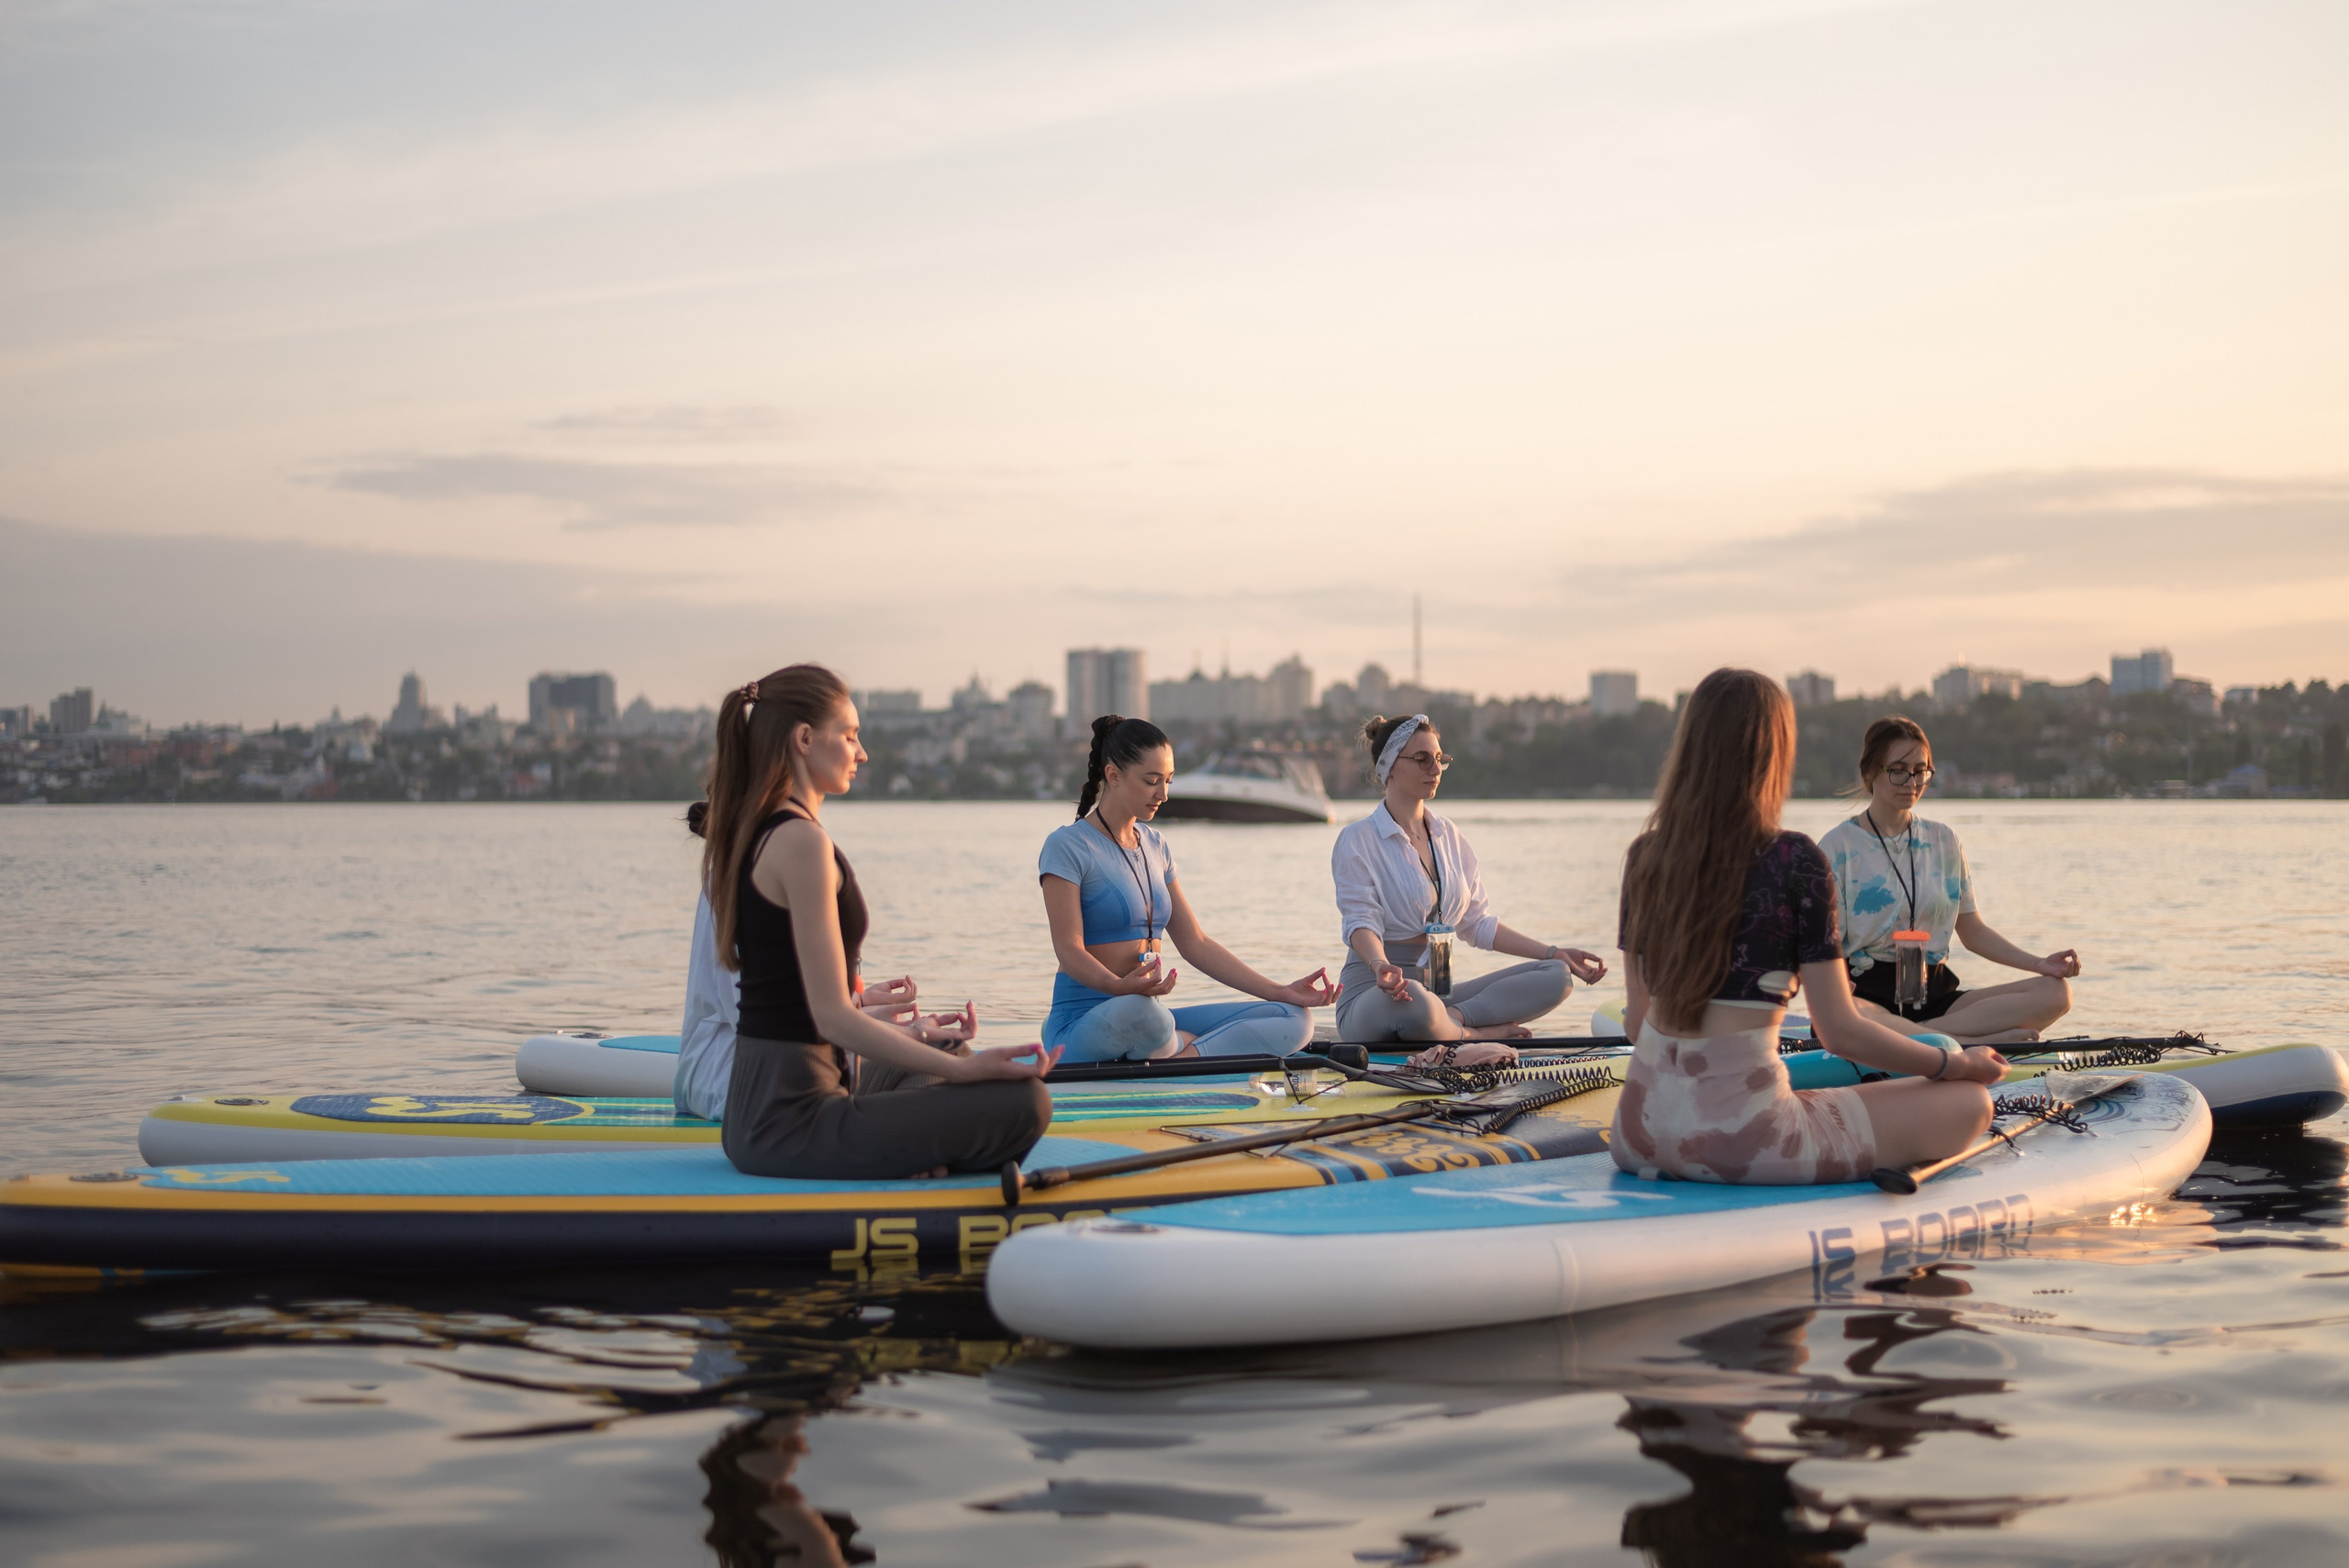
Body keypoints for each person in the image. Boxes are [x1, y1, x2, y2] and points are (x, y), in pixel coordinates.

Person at [1613, 669, 2007, 1184]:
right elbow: (1840, 1032)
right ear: (1774, 752)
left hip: (1636, 1134)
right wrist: (1952, 1066)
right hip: (1744, 1143)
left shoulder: (1645, 856)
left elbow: (1637, 1024)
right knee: (1970, 1102)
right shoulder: (1794, 859)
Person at [703, 663, 1053, 1178]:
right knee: (1026, 1102)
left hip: (774, 1101)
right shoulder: (800, 842)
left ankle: (913, 1151)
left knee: (944, 1044)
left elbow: (803, 1010)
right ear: (804, 739)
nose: (861, 753)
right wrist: (963, 1069)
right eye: (849, 736)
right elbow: (831, 1018)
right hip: (789, 1119)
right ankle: (913, 1156)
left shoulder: (767, 829)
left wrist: (920, 1038)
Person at [1040, 715, 1337, 1062]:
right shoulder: (1068, 846)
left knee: (1295, 1019)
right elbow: (1069, 949)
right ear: (1113, 775)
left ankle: (1181, 1055)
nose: (1163, 794)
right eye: (1151, 781)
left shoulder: (1155, 845)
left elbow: (1196, 943)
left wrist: (1280, 990)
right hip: (1082, 1025)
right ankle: (1176, 1045)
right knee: (1143, 1014)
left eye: (1168, 781)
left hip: (1148, 1017)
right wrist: (1118, 987)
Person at [672, 800, 974, 1122]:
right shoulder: (760, 869)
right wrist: (912, 1032)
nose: (860, 754)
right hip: (738, 1081)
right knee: (946, 1055)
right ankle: (899, 1154)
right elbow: (769, 1019)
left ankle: (910, 1151)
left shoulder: (756, 860)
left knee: (950, 1058)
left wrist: (859, 1004)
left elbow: (783, 1002)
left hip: (758, 1068)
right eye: (849, 744)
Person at [1330, 713, 1606, 1058]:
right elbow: (1360, 922)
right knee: (1415, 1000)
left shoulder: (1449, 836)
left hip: (1438, 993)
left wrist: (1554, 952)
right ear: (1389, 767)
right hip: (1378, 993)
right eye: (1422, 759)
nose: (1435, 768)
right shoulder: (1358, 839)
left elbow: (1478, 924)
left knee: (1557, 976)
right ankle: (1470, 1033)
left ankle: (1453, 1021)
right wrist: (1379, 965)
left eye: (1439, 759)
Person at [1820, 717, 2080, 1047]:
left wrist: (2039, 963)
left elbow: (1973, 932)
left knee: (2055, 993)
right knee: (1850, 1015)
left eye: (1921, 770)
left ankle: (1932, 1037)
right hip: (1867, 995)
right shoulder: (1837, 847)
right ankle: (1964, 1041)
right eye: (1898, 769)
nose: (1911, 781)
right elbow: (1824, 947)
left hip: (1937, 996)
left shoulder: (1945, 840)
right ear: (1871, 770)